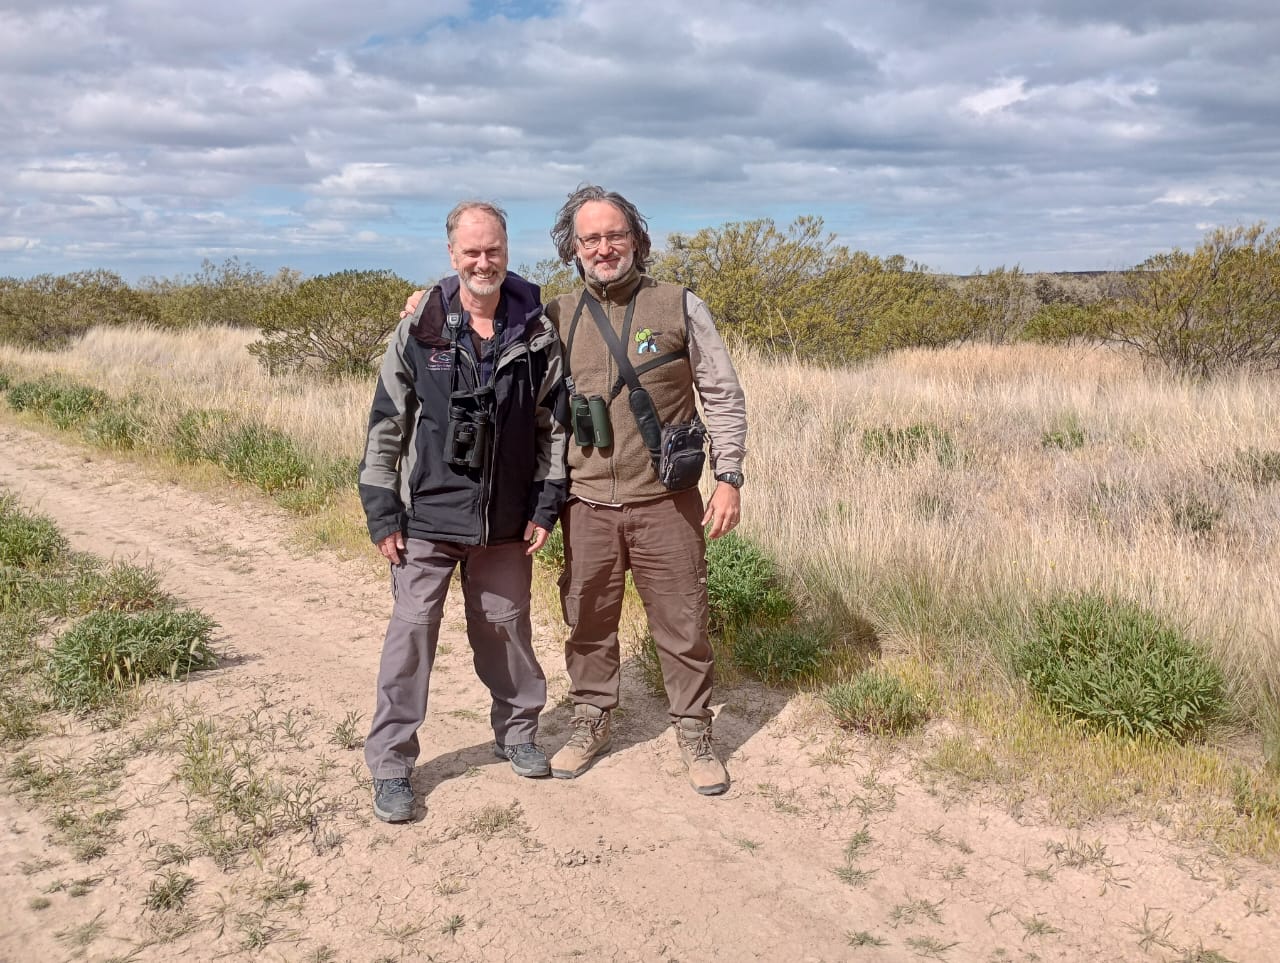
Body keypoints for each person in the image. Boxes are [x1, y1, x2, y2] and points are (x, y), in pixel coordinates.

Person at [359, 200, 567, 823]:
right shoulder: (420, 326)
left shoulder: (535, 331)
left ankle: (518, 733)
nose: (484, 261)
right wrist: (382, 510)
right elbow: (387, 423)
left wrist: (545, 501)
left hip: (506, 523)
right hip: (427, 519)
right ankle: (392, 765)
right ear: (452, 255)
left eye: (494, 250)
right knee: (410, 638)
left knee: (504, 629)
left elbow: (552, 427)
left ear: (508, 251)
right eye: (471, 251)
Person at [543, 185, 748, 796]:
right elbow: (485, 310)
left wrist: (729, 477)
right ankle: (589, 719)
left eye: (615, 235)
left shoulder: (678, 304)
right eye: (590, 239)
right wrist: (427, 302)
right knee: (586, 619)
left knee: (682, 622)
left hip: (666, 502)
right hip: (586, 505)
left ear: (636, 239)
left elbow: (723, 393)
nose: (604, 248)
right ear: (572, 248)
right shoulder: (555, 313)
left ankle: (694, 730)